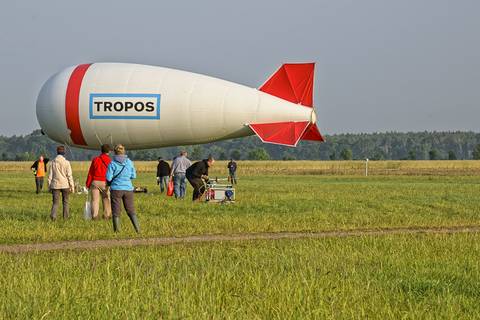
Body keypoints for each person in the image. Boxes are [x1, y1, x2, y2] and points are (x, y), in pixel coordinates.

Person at [106, 144, 140, 233]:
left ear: (115, 152)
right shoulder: (129, 162)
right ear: (124, 151)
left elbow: (108, 178)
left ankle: (117, 231)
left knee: (116, 211)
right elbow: (134, 176)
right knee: (131, 210)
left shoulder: (112, 163)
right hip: (128, 189)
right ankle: (138, 230)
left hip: (116, 189)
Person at [47, 146, 74, 220]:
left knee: (55, 203)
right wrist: (72, 186)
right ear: (64, 152)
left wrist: (49, 186)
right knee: (66, 202)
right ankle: (66, 217)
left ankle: (53, 216)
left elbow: (50, 176)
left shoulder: (53, 162)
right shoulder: (67, 162)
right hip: (65, 185)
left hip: (55, 185)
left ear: (57, 152)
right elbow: (69, 176)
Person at [86, 144, 112, 220]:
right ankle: (107, 215)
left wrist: (88, 184)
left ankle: (95, 216)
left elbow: (91, 172)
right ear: (109, 151)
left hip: (95, 182)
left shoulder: (95, 159)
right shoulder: (110, 161)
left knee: (95, 200)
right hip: (105, 182)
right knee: (106, 199)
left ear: (101, 150)